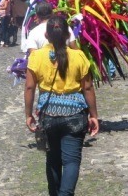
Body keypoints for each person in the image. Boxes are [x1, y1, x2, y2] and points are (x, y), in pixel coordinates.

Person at [24, 16, 99, 196]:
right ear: (67, 34)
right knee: (71, 160)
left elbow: (29, 87)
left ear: (46, 35)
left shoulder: (36, 56)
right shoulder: (78, 55)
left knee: (53, 158)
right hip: (75, 115)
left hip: (48, 115)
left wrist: (28, 114)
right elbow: (87, 87)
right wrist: (94, 115)